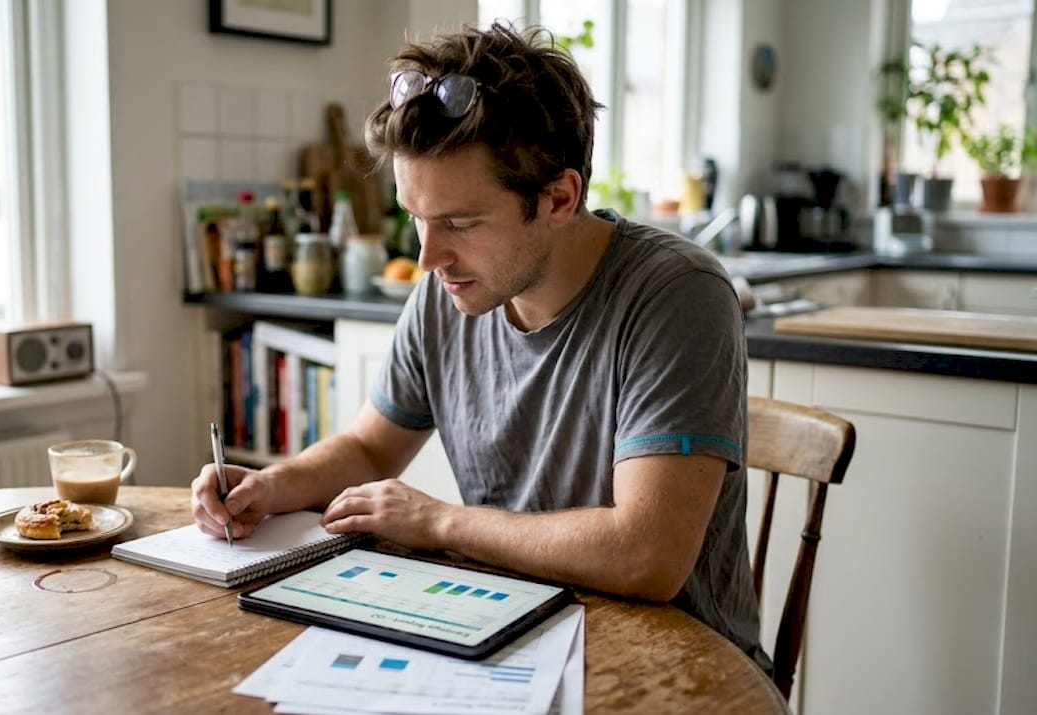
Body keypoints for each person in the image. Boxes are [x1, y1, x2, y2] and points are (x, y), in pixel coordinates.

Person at [193, 22, 771, 672]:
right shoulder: (450, 286)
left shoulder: (675, 294)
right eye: (416, 218)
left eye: (460, 224)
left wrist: (439, 521)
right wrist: (271, 486)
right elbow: (369, 447)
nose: (428, 257)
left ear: (559, 198)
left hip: (679, 673)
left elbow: (647, 554)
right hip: (507, 640)